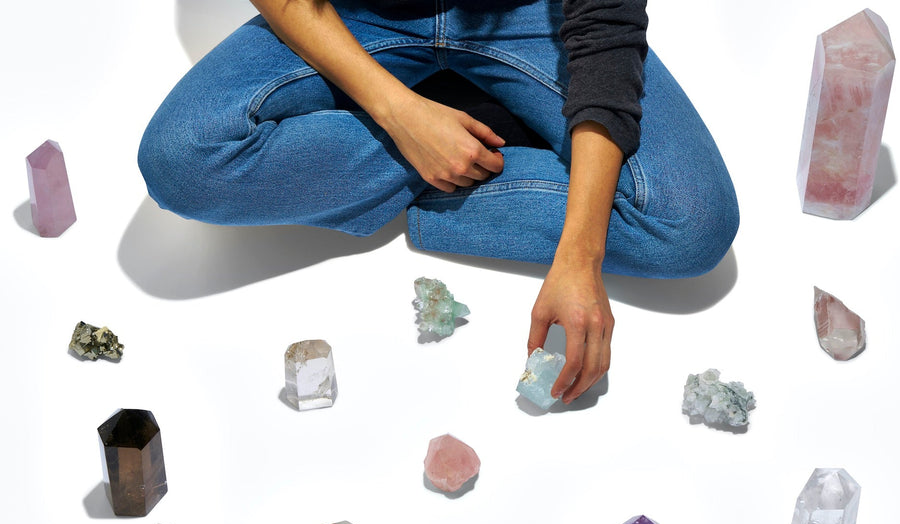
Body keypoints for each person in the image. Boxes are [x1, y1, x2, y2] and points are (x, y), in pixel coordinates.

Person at [138, 0, 739, 404]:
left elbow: (607, 19)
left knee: (691, 224)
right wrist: (399, 113)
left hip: (529, 15)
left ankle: (462, 135)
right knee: (182, 159)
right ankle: (477, 125)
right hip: (356, 14)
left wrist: (580, 256)